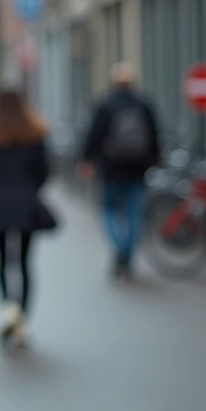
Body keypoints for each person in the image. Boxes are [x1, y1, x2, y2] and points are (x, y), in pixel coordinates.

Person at [0, 90, 51, 348]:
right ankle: (22, 317)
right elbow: (44, 172)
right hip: (26, 203)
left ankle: (8, 312)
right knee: (26, 263)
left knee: (2, 260)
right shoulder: (33, 133)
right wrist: (29, 189)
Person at [79, 62, 160, 280]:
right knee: (134, 213)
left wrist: (86, 159)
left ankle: (119, 246)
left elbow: (94, 134)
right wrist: (155, 160)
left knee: (109, 210)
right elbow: (154, 135)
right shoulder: (143, 104)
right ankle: (128, 255)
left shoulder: (105, 104)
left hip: (112, 168)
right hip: (137, 168)